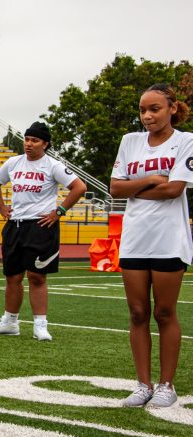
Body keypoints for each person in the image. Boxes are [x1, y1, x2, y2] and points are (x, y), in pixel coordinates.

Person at [109, 83, 193, 408]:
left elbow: (174, 190)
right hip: (135, 239)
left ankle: (166, 384)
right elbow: (115, 189)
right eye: (143, 110)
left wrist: (134, 187)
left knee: (164, 312)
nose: (147, 116)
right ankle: (143, 384)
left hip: (169, 239)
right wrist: (150, 180)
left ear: (172, 108)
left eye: (154, 109)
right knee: (138, 312)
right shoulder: (130, 141)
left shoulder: (186, 141)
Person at [0, 121, 86, 341]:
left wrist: (59, 212)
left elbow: (79, 187)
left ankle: (40, 325)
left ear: (45, 144)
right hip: (15, 225)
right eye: (27, 139)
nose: (29, 144)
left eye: (35, 140)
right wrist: (2, 208)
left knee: (37, 276)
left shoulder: (53, 166)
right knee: (13, 276)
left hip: (40, 226)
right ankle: (10, 322)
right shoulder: (13, 162)